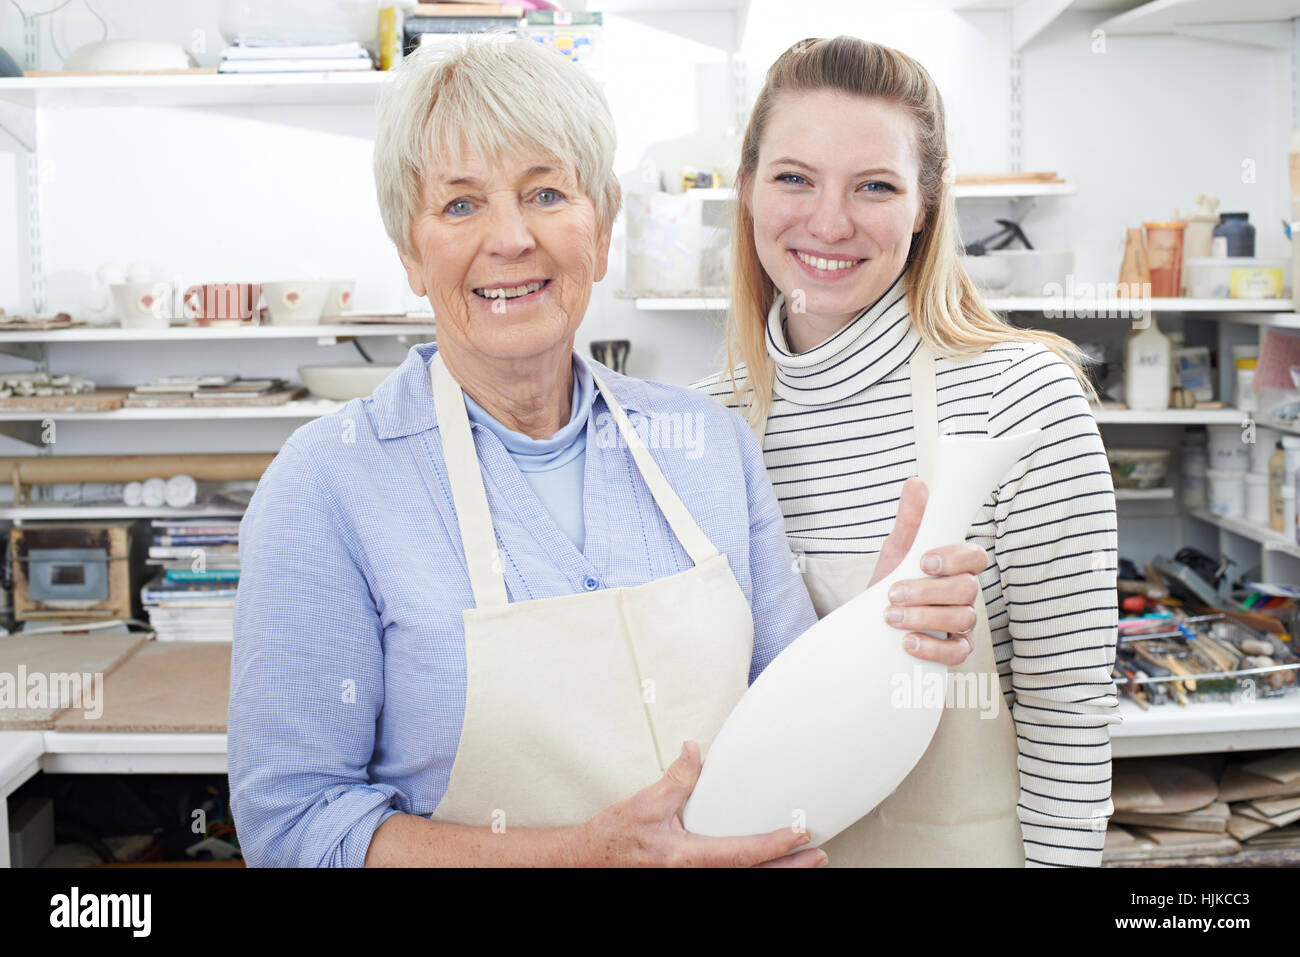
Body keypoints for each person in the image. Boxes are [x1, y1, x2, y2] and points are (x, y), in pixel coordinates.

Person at [227, 36, 986, 868]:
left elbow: (789, 726)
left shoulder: (706, 448)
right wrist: (584, 853)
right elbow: (295, 824)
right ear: (410, 252)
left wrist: (877, 633)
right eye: (460, 205)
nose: (511, 238)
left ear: (602, 228)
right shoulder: (329, 481)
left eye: (547, 193)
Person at [694, 36, 1120, 867]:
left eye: (875, 187)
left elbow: (1069, 719)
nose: (828, 222)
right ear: (745, 190)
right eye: (793, 178)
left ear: (925, 206)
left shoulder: (1018, 401)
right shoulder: (711, 426)